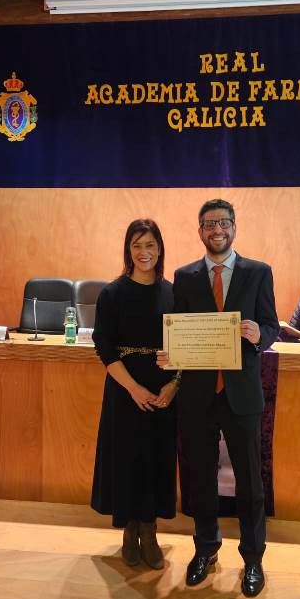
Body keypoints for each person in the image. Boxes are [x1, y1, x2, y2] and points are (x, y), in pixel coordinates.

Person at [159, 199, 279, 597]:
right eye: (209, 223)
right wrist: (170, 352)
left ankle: (253, 559)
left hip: (241, 394)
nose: (217, 229)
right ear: (200, 230)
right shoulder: (185, 276)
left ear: (233, 227)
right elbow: (179, 330)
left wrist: (258, 334)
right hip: (197, 396)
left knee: (250, 482)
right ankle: (205, 550)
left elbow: (271, 325)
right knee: (200, 480)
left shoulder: (258, 272)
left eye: (224, 222)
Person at [91, 219, 178, 569]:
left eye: (151, 245)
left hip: (164, 392)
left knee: (156, 460)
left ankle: (151, 530)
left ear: (160, 249)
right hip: (125, 390)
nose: (145, 253)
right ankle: (130, 532)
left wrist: (175, 384)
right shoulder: (112, 293)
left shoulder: (174, 293)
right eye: (137, 245)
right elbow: (105, 347)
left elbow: (187, 345)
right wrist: (134, 389)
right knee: (127, 460)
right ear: (129, 250)